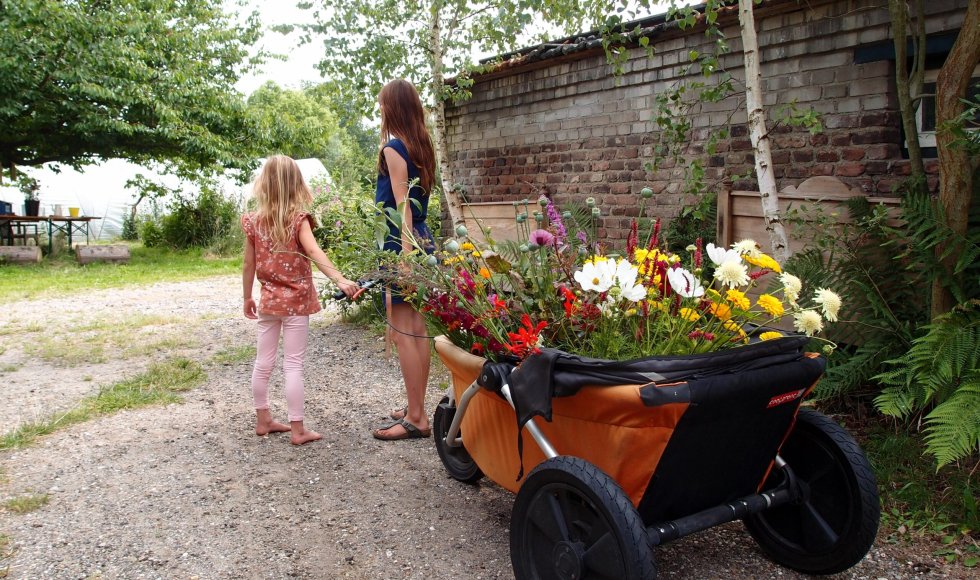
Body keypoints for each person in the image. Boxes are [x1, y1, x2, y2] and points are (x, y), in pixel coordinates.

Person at [242, 155, 359, 445]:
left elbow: (247, 264)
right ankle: (297, 430)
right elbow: (316, 252)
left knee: (263, 362)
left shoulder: (254, 221)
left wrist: (247, 296)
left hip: (268, 301)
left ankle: (263, 419)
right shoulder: (298, 219)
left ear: (264, 184)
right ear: (297, 184)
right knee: (293, 364)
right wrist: (341, 280)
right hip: (295, 304)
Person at [372, 79, 437, 441]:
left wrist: (406, 258)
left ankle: (415, 417)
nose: (380, 110)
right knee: (416, 328)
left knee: (402, 332)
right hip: (422, 240)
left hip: (403, 242)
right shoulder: (422, 146)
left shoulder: (393, 148)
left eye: (382, 104)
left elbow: (402, 208)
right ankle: (417, 407)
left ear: (393, 107)